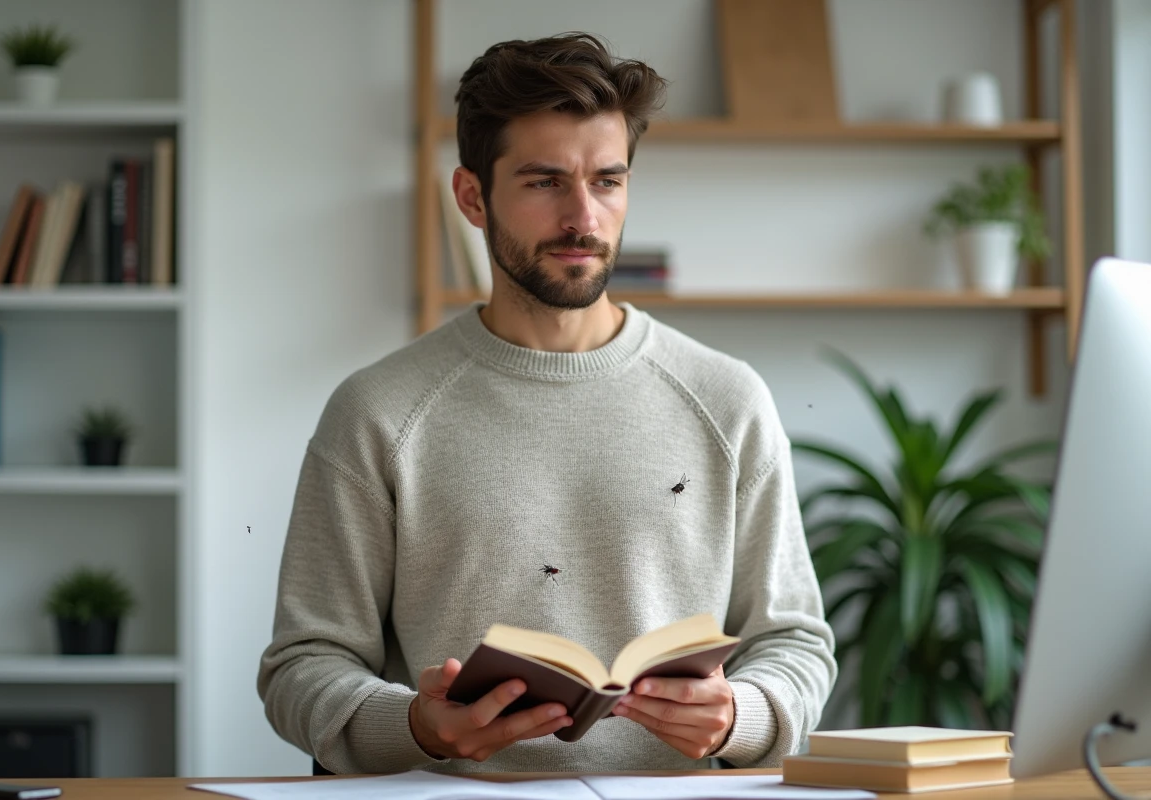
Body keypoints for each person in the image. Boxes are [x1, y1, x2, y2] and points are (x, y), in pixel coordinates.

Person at [257, 31, 835, 775]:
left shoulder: (728, 400)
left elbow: (795, 643)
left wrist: (739, 718)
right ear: (473, 197)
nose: (583, 218)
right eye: (543, 182)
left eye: (607, 180)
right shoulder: (378, 411)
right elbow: (302, 666)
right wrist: (417, 728)